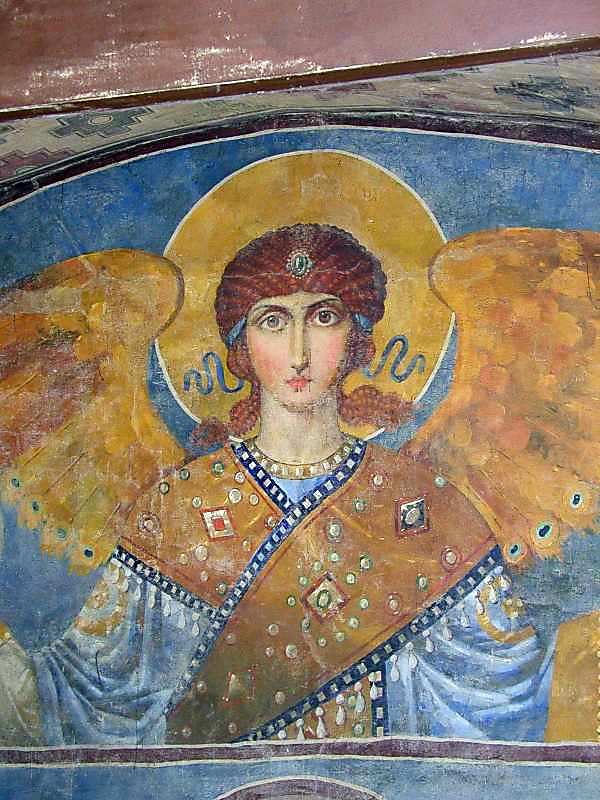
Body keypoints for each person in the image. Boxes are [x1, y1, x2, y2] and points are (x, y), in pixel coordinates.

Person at [0, 224, 553, 746]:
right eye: (272, 321)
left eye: (323, 317)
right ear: (241, 344)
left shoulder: (423, 504)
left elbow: (501, 687)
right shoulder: (179, 507)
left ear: (356, 337)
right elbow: (90, 692)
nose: (298, 351)